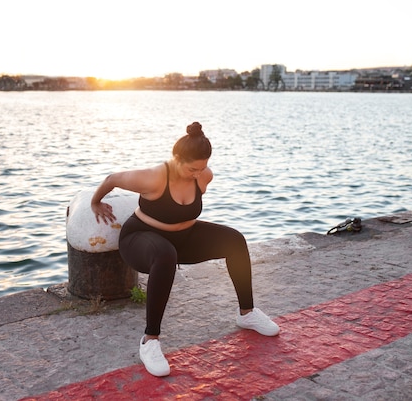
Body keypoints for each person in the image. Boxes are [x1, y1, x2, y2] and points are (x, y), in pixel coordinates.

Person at [90, 122, 279, 377]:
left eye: (202, 167)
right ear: (176, 158)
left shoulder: (204, 175)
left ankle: (247, 313)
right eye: (192, 168)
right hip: (141, 239)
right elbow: (112, 179)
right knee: (165, 253)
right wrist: (95, 201)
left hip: (182, 238)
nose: (197, 174)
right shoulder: (154, 176)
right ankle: (150, 341)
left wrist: (199, 174)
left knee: (234, 240)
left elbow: (186, 209)